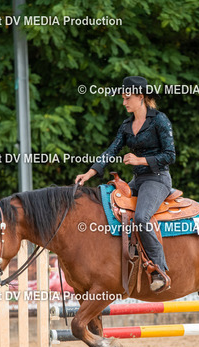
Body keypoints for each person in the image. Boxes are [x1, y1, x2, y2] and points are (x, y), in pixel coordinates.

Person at [75, 76, 176, 292]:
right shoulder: (126, 125)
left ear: (141, 97)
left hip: (157, 179)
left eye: (127, 98)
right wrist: (89, 173)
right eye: (122, 98)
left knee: (141, 217)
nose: (124, 102)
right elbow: (111, 151)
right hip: (137, 181)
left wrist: (140, 160)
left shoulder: (160, 120)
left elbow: (170, 155)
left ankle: (159, 270)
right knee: (107, 208)